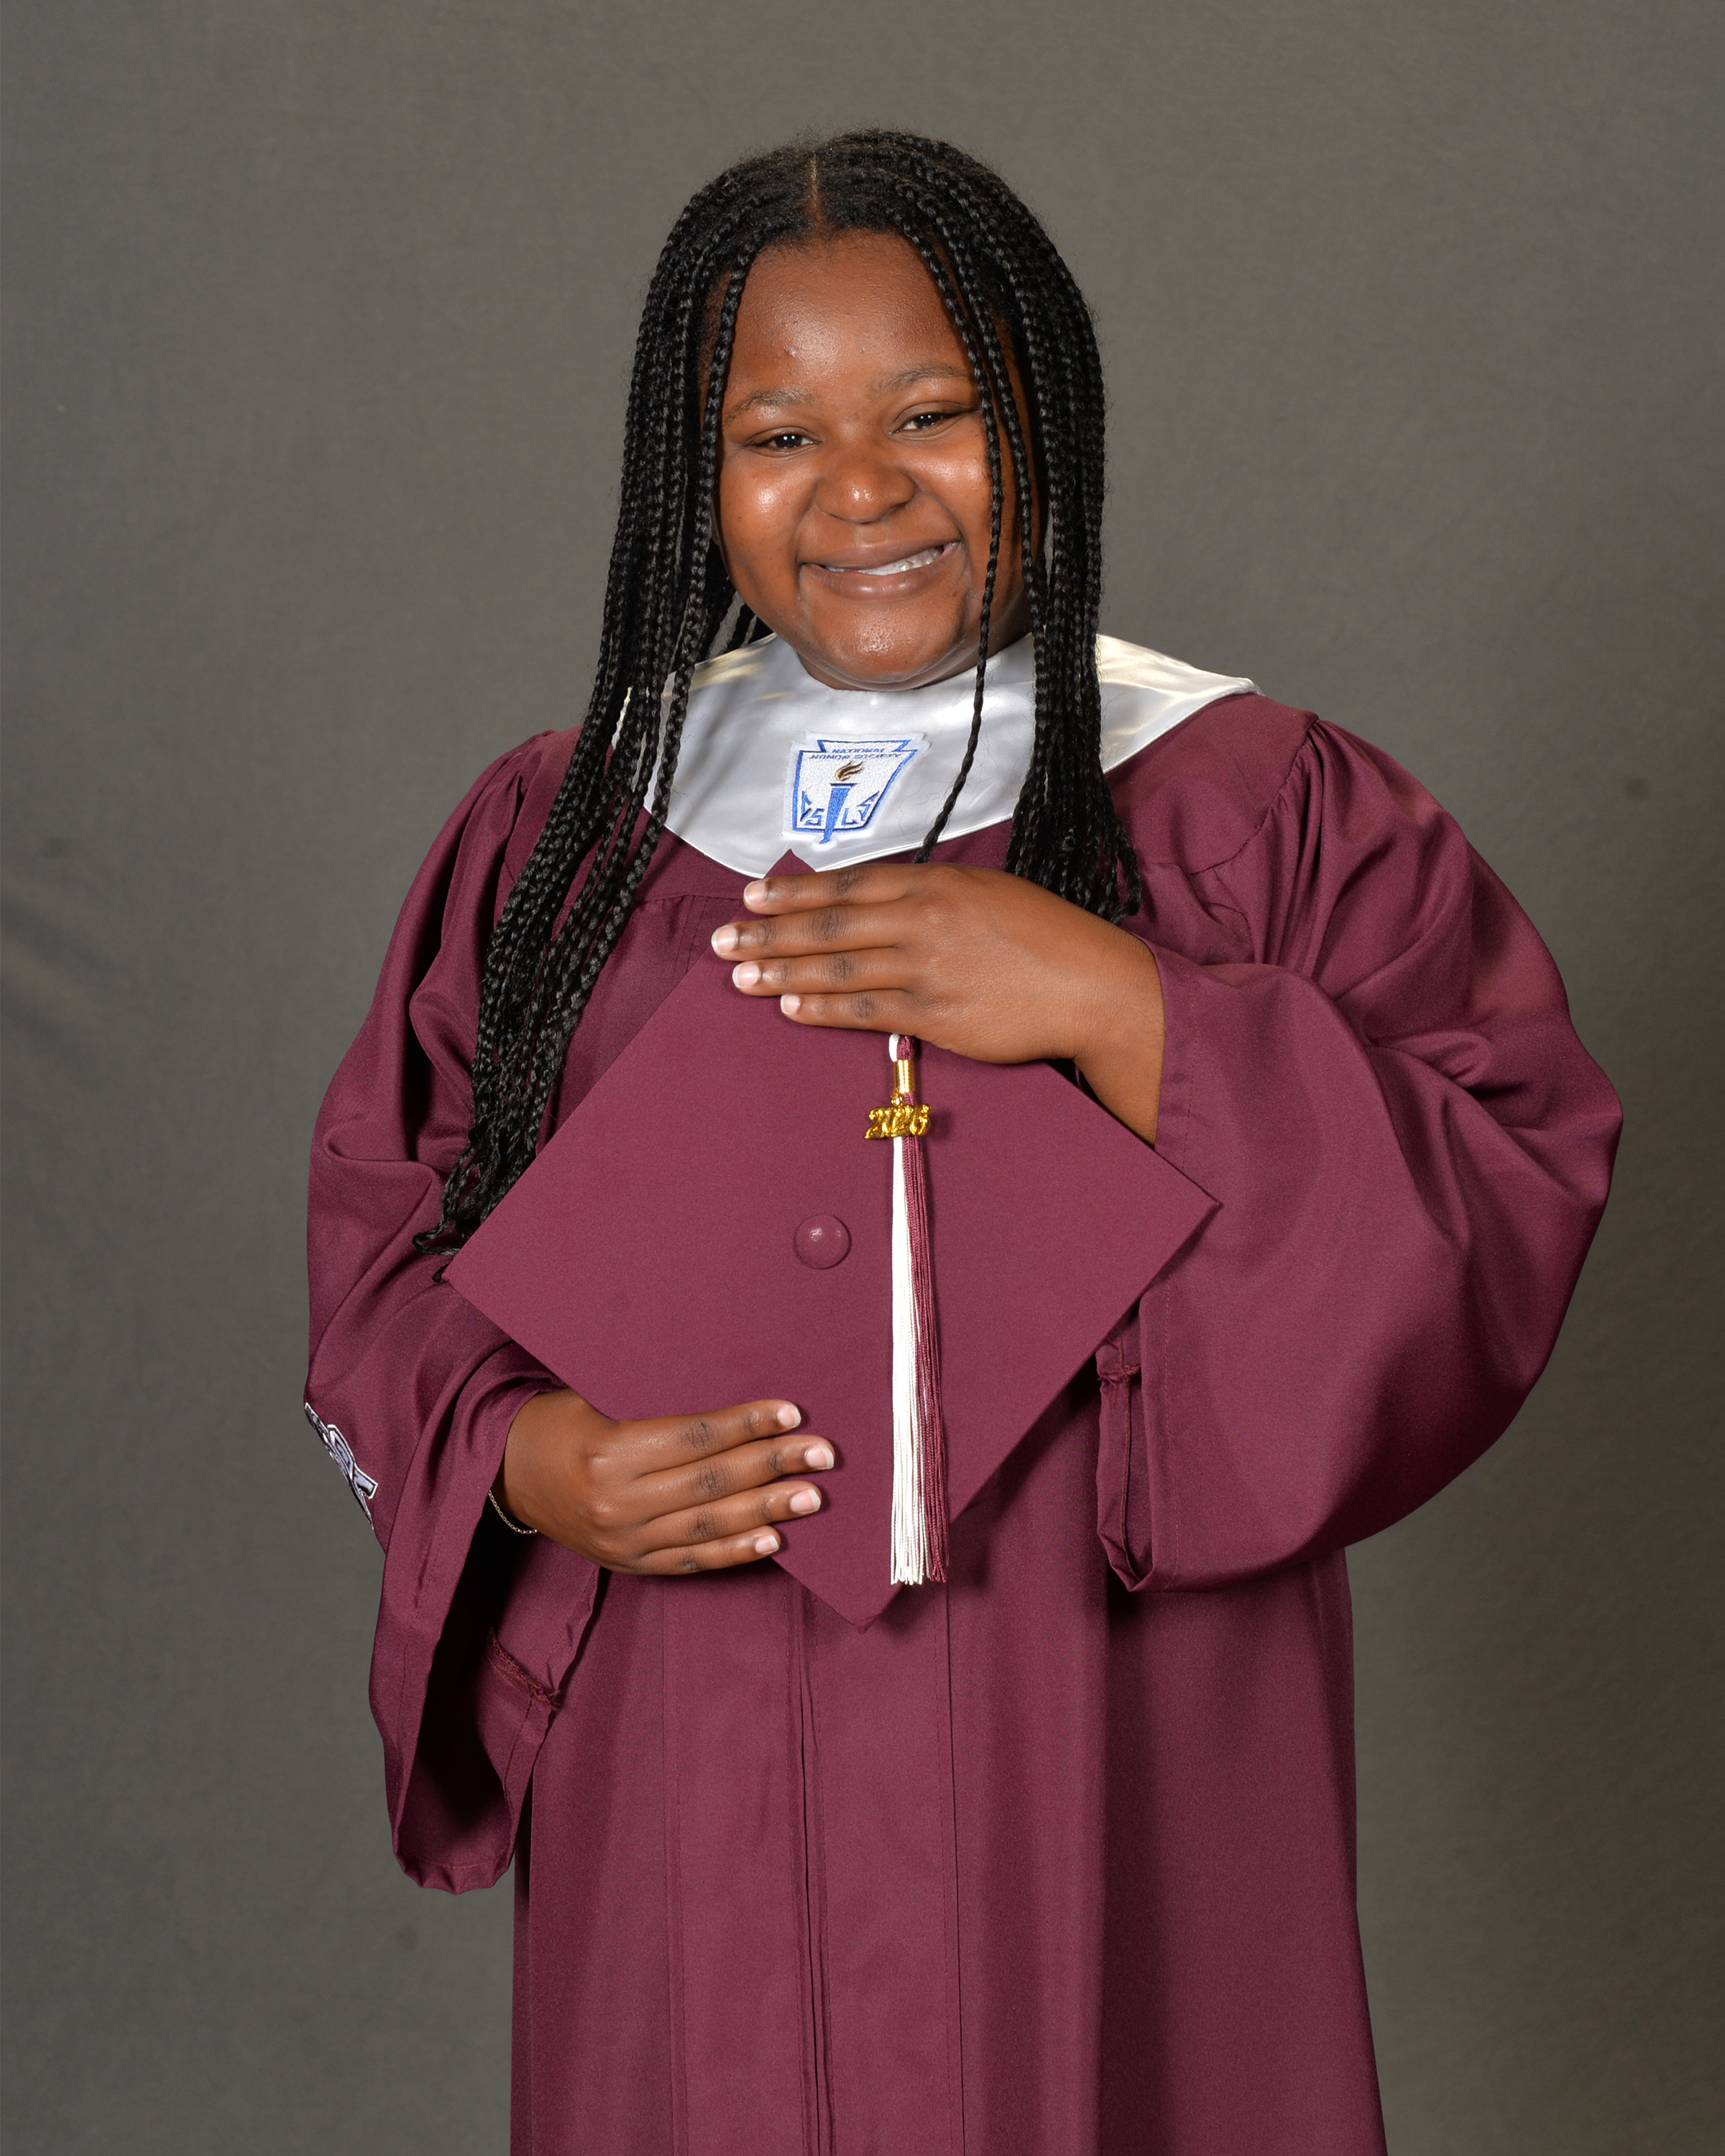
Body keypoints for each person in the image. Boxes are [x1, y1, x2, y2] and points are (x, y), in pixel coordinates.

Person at [305, 131, 1620, 2155]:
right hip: (689, 1740)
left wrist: (1130, 1008)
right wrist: (528, 1464)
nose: (861, 491)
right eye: (777, 436)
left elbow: (1495, 1192)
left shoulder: (1243, 803)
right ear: (694, 476)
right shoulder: (569, 835)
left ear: (1043, 423)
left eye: (932, 414)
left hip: (1104, 1726)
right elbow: (390, 1247)